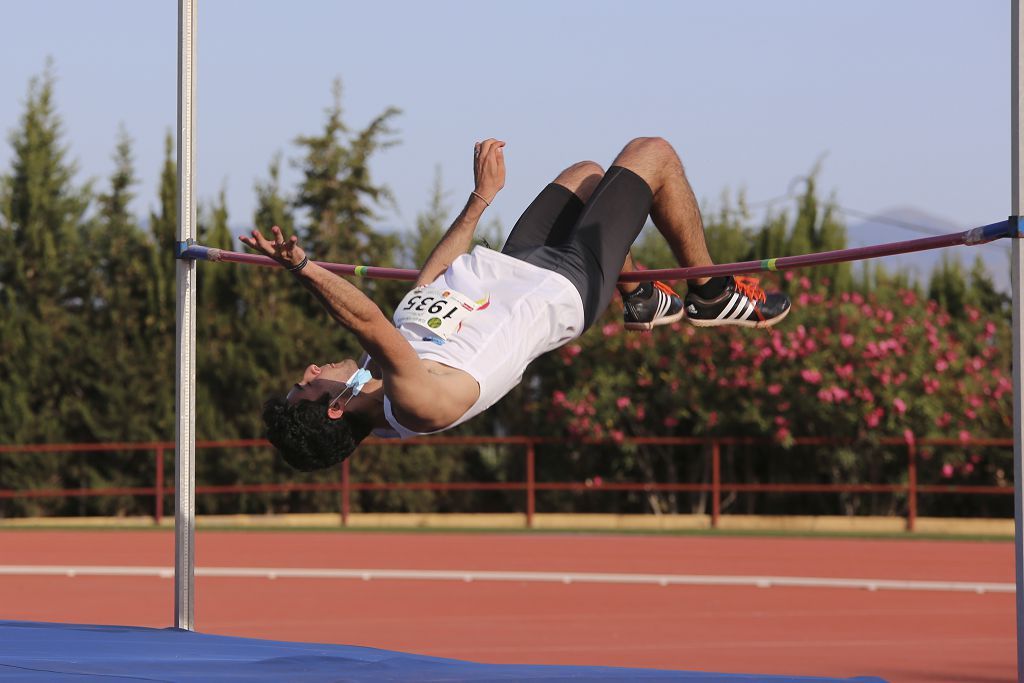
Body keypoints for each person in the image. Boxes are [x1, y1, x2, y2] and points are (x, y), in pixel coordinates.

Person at [241, 137, 790, 471]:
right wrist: (301, 267)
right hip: (565, 286)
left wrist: (481, 198)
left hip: (515, 262)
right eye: (307, 384)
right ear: (335, 407)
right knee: (653, 155)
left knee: (587, 175)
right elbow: (364, 317)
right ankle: (713, 293)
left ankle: (641, 296)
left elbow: (431, 283)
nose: (311, 370)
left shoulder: (373, 376)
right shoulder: (413, 403)